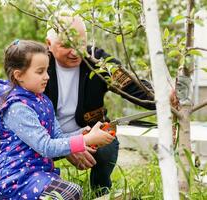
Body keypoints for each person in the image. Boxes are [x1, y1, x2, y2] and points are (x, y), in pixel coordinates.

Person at [44, 16, 156, 194]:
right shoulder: (38, 65)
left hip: (88, 133)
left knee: (107, 144)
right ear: (49, 44)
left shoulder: (98, 61)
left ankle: (100, 191)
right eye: (66, 45)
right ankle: (38, 186)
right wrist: (68, 146)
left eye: (79, 43)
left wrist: (163, 97)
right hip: (47, 137)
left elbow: (131, 86)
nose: (75, 52)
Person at [0, 39, 115, 200]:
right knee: (69, 193)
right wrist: (85, 140)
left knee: (72, 192)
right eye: (40, 71)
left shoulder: (43, 101)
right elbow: (46, 147)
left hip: (39, 173)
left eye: (47, 70)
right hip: (15, 178)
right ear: (19, 75)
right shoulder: (17, 108)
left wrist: (83, 133)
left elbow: (58, 137)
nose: (47, 77)